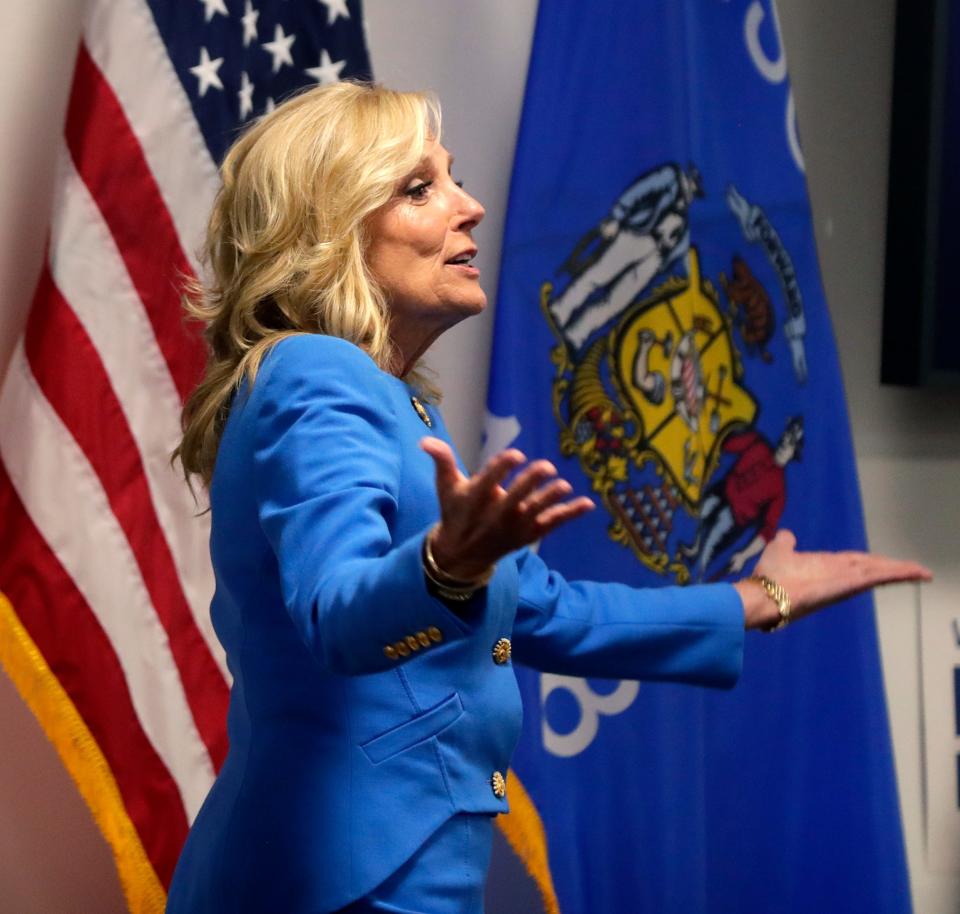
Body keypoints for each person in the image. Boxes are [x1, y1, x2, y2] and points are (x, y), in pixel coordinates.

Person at [166, 82, 930, 914]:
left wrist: (759, 597)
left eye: (451, 178)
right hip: (336, 880)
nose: (472, 206)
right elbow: (335, 613)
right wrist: (444, 565)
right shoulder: (316, 374)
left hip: (390, 869)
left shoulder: (389, 401)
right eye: (420, 189)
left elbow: (549, 611)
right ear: (329, 232)